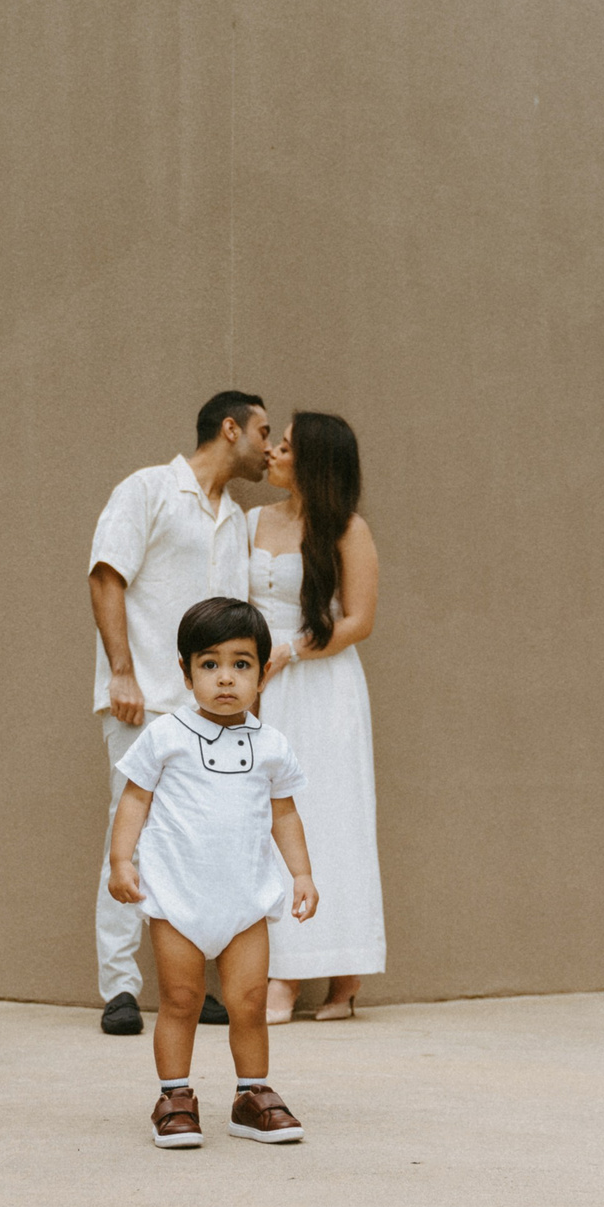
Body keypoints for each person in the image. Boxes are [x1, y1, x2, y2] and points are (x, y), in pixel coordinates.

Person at [87, 391, 273, 1035]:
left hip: (212, 708)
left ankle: (192, 983)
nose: (270, 445)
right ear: (230, 429)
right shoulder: (147, 490)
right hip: (145, 703)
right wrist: (121, 672)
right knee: (130, 831)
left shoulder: (235, 515)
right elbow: (107, 575)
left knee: (205, 838)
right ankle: (119, 986)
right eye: (263, 431)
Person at [108, 597, 317, 1147]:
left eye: (241, 664)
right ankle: (175, 1097)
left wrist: (301, 874)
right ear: (185, 671)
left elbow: (284, 813)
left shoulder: (271, 746)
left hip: (246, 900)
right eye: (210, 664)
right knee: (181, 1000)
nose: (225, 678)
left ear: (263, 673)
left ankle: (252, 1096)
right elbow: (133, 802)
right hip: (178, 897)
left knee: (247, 1002)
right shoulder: (165, 735)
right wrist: (121, 861)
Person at [251, 411, 385, 1023]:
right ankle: (282, 968)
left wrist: (294, 650)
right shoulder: (252, 523)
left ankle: (331, 973)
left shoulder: (347, 529)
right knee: (271, 818)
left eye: (285, 446)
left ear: (314, 463)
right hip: (262, 687)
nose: (273, 453)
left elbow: (359, 619)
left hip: (323, 685)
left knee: (330, 815)